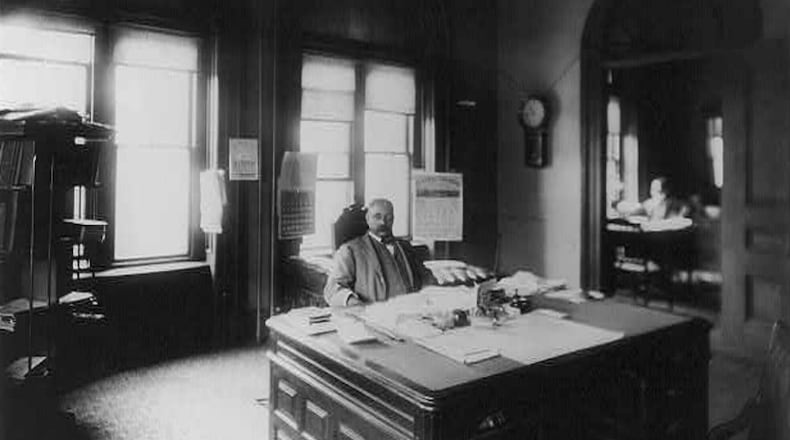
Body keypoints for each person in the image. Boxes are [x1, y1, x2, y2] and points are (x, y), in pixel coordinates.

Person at [324, 198, 430, 307]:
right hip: (374, 317)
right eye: (377, 217)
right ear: (367, 219)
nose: (383, 222)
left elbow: (426, 278)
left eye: (388, 218)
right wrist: (352, 302)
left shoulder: (405, 247)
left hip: (413, 314)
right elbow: (332, 289)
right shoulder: (350, 250)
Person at [620, 177, 689, 221]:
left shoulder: (677, 204)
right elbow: (633, 213)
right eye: (652, 190)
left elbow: (684, 211)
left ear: (666, 191)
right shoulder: (649, 204)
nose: (653, 193)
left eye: (658, 191)